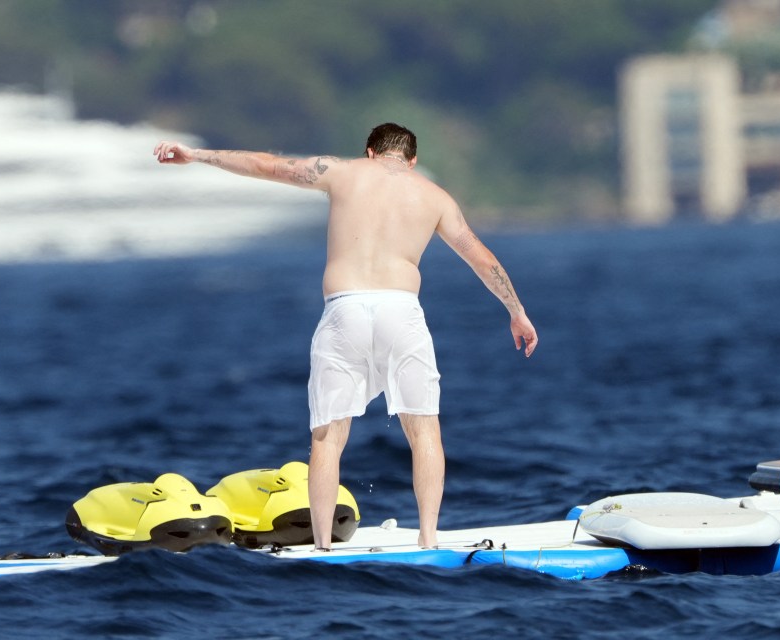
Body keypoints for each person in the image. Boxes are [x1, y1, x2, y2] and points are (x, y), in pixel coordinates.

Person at [154, 123, 537, 550]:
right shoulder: (434, 197)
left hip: (344, 310)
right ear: (411, 160)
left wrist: (195, 154)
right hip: (401, 311)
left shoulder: (340, 171)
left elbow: (266, 165)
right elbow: (482, 259)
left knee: (328, 437)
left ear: (370, 152)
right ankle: (429, 539)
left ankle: (322, 545)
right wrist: (517, 312)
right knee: (424, 430)